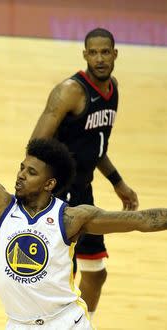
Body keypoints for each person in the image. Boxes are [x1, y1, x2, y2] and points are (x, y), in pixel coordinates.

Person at [0, 67, 167, 329]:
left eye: (32, 172)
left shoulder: (71, 218)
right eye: (22, 168)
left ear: (49, 183)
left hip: (65, 324)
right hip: (18, 325)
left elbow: (141, 220)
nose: (21, 175)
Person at [29, 27, 139, 317]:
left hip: (83, 191)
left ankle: (80, 324)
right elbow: (35, 146)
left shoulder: (112, 90)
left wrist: (118, 182)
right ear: (85, 55)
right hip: (59, 196)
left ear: (115, 54)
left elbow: (95, 145)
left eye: (105, 52)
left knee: (95, 273)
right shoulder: (70, 92)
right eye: (93, 52)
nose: (100, 58)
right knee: (60, 280)